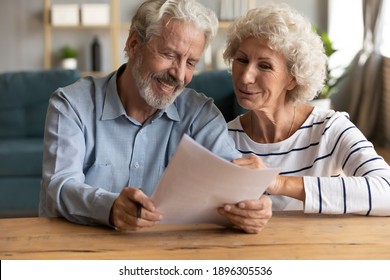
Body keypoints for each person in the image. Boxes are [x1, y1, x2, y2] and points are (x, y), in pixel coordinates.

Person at [39, 0, 272, 234]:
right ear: (133, 45)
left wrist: (254, 205)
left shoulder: (201, 114)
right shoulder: (71, 104)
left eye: (190, 63)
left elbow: (235, 182)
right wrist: (109, 208)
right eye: (169, 55)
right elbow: (59, 186)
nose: (179, 74)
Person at [225, 3, 390, 214]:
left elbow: (386, 188)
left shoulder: (330, 129)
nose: (246, 77)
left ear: (293, 78)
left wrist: (279, 183)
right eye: (241, 60)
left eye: (265, 66)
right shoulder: (225, 137)